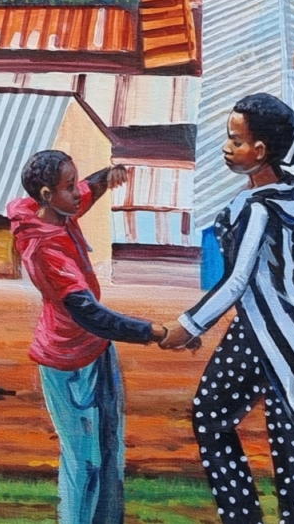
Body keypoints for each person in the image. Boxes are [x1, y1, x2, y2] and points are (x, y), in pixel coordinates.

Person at [159, 35, 294, 524]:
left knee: (286, 438)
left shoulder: (259, 208)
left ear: (260, 150)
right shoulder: (290, 181)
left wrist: (188, 326)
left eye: (235, 141)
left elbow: (237, 280)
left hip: (280, 329)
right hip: (262, 327)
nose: (226, 147)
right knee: (214, 414)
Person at [10, 151, 175, 524]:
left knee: (110, 452)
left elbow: (88, 190)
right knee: (86, 463)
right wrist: (153, 332)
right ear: (48, 194)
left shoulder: (54, 209)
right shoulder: (44, 247)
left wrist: (107, 176)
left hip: (97, 353)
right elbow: (90, 314)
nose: (78, 192)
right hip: (69, 363)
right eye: (69, 187)